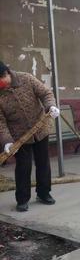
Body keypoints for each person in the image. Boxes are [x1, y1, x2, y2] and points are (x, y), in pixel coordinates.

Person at [0, 61, 60, 212]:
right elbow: (0, 122)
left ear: (6, 73)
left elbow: (46, 93)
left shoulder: (26, 78)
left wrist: (50, 106)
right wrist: (7, 141)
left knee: (43, 163)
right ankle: (22, 199)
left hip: (40, 129)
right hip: (19, 136)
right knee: (23, 167)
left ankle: (44, 193)